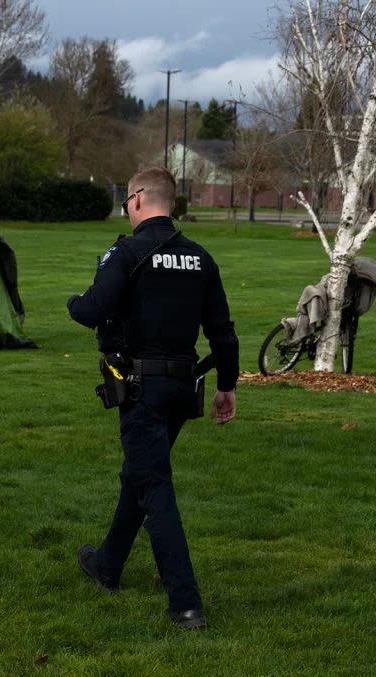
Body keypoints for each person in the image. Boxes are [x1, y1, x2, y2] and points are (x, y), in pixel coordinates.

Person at [67, 167, 239, 630]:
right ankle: (107, 566)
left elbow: (92, 310)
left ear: (139, 198)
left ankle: (185, 603)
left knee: (154, 486)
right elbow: (222, 331)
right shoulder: (201, 258)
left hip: (143, 389)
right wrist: (228, 385)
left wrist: (72, 302)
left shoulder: (127, 251)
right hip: (184, 388)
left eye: (126, 200)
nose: (126, 208)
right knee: (140, 476)